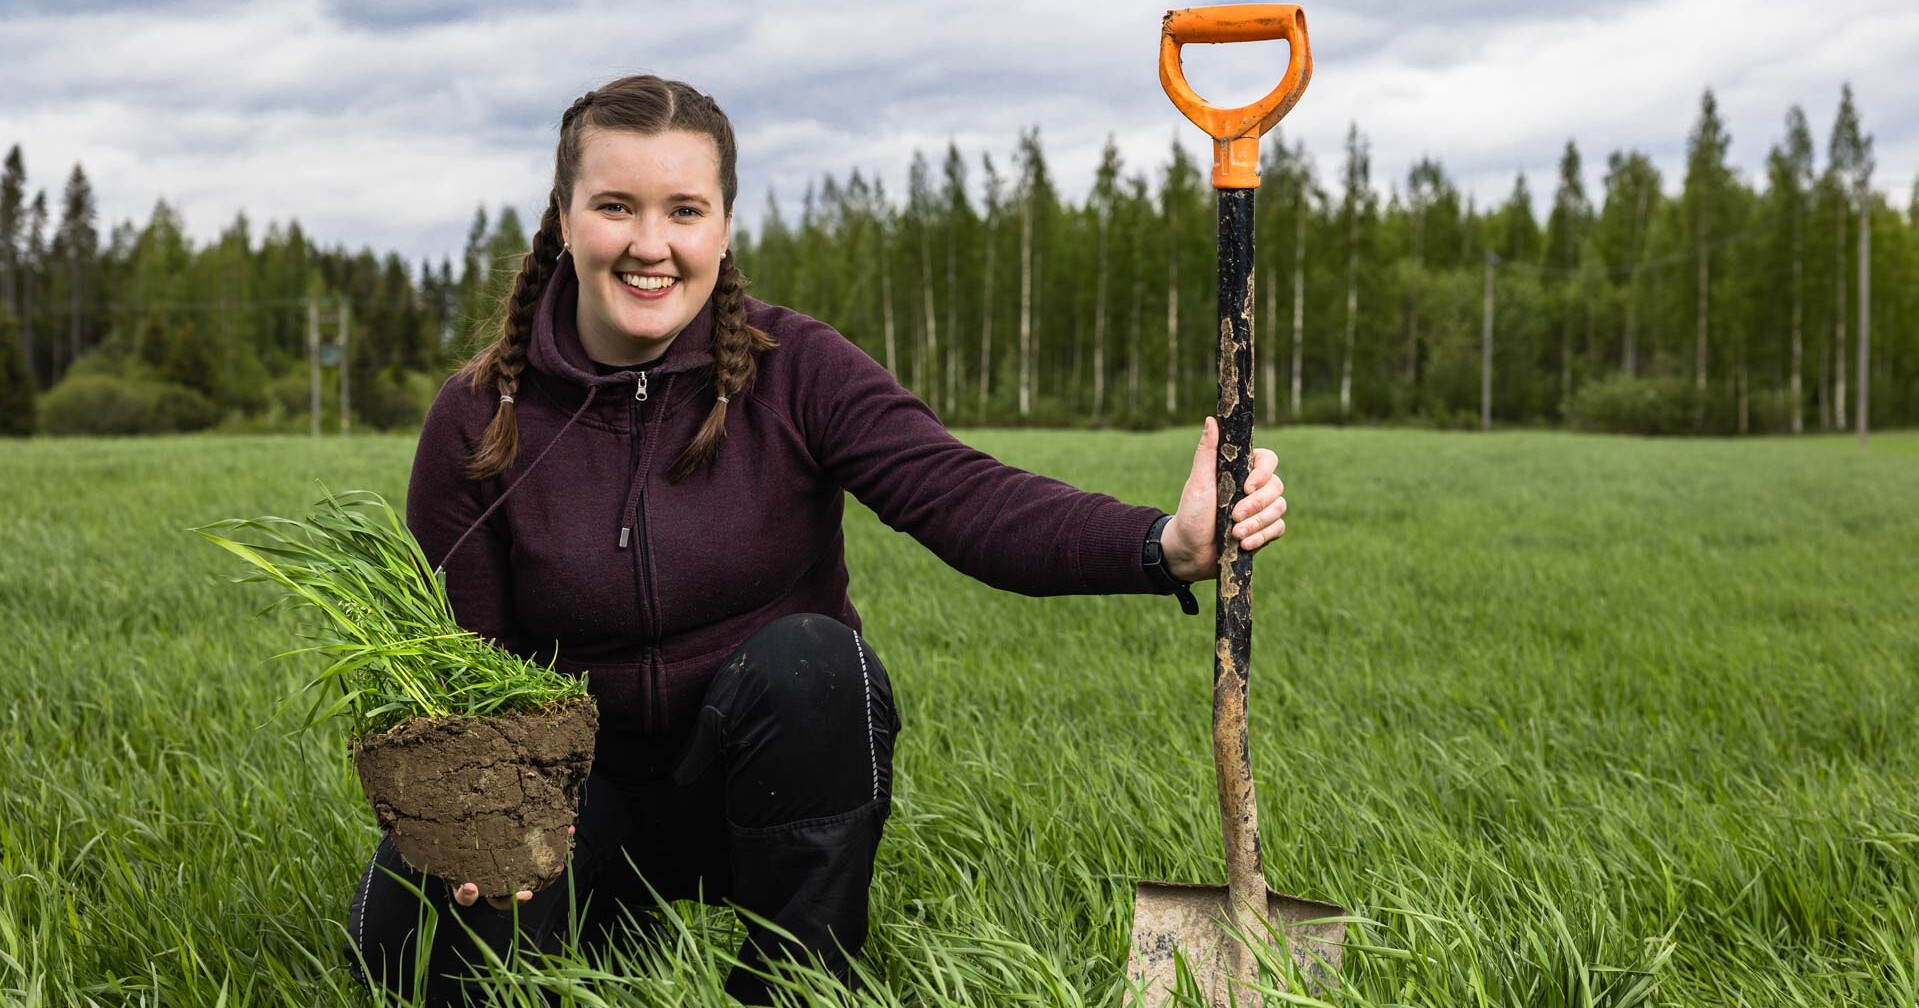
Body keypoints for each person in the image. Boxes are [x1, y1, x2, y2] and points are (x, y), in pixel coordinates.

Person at [345, 73, 1289, 1005]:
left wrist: (1163, 543)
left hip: (749, 791)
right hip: (565, 801)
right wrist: (457, 809)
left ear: (723, 225)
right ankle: (601, 913)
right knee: (413, 966)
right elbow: (452, 670)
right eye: (614, 207)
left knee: (814, 665)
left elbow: (965, 499)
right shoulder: (479, 419)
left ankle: (797, 980)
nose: (650, 245)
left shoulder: (795, 371)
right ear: (561, 217)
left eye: (683, 209)